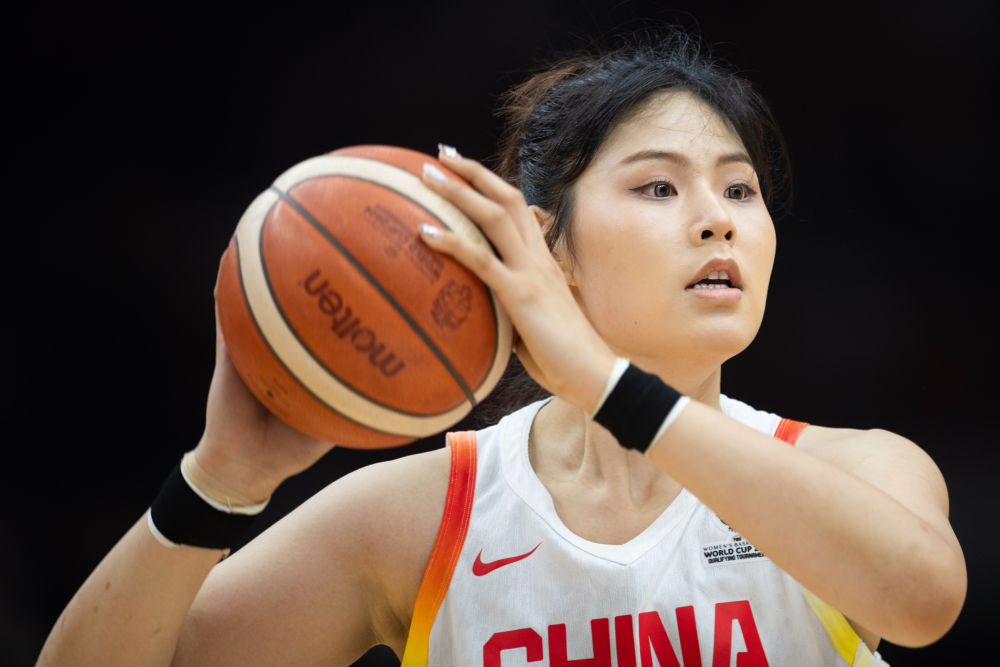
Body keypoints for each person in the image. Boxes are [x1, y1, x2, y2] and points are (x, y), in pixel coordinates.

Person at [37, 32, 965, 666]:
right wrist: (219, 480)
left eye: (740, 190)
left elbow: (923, 600)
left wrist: (608, 385)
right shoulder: (425, 514)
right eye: (657, 187)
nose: (717, 220)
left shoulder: (858, 467)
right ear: (545, 246)